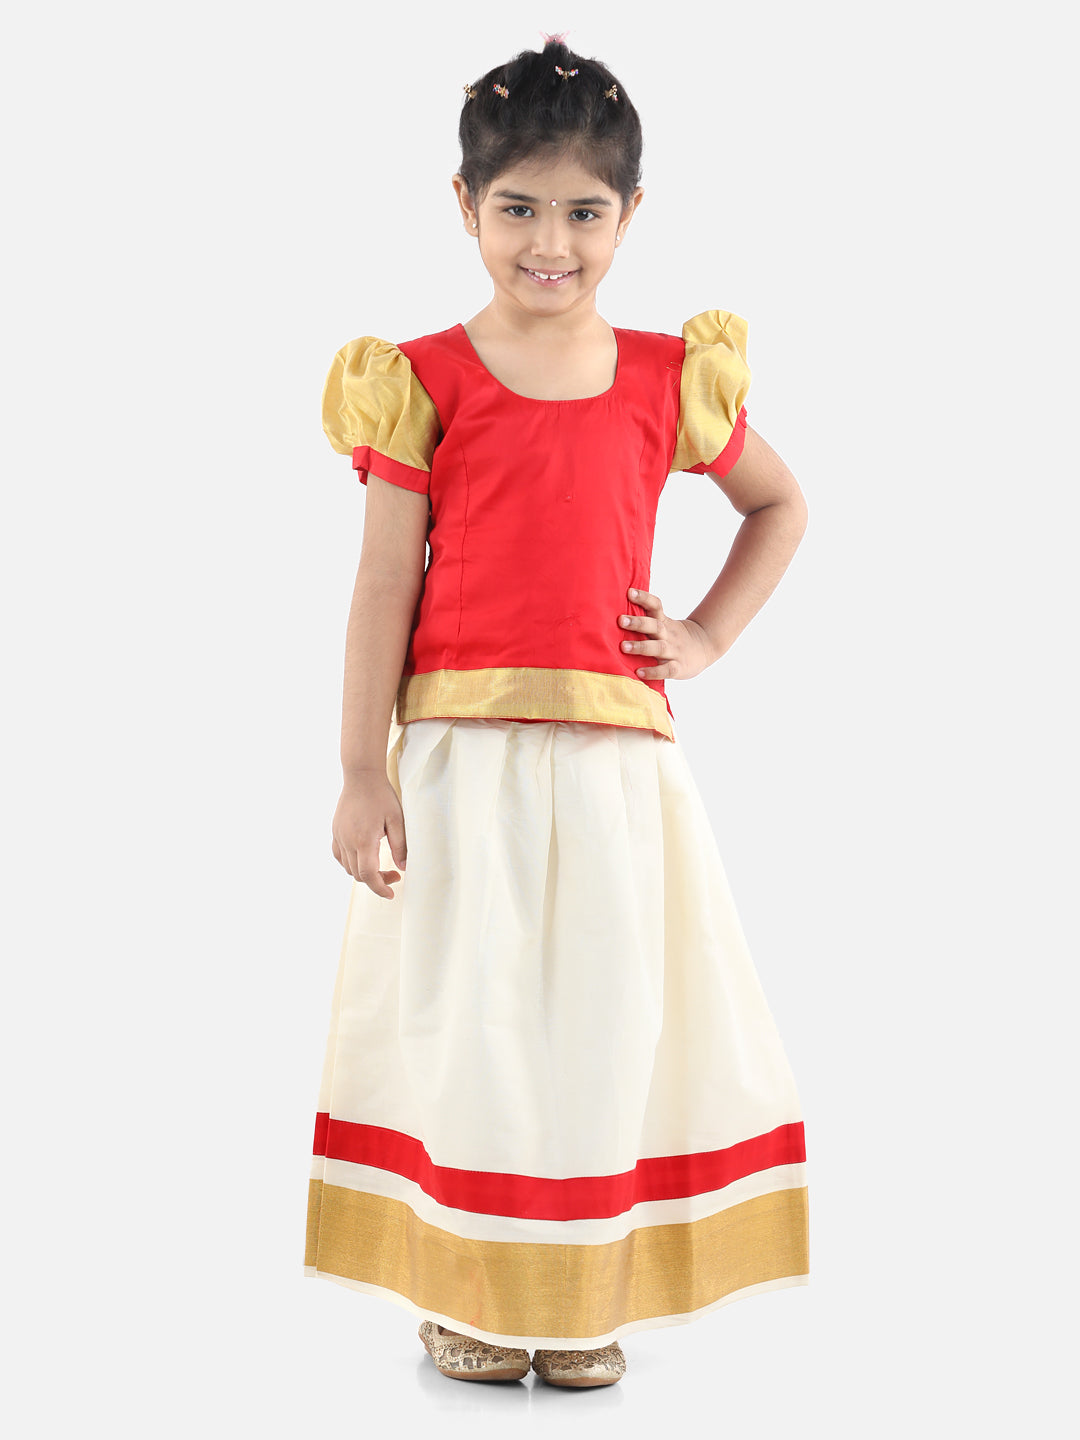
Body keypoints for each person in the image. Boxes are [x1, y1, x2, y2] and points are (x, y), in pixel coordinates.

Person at [304, 34, 810, 1390]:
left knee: (604, 1017)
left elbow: (779, 504)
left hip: (613, 771)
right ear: (464, 205)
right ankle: (469, 1288)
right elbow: (381, 582)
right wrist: (361, 769)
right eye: (518, 208)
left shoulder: (664, 377)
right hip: (459, 765)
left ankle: (583, 1298)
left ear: (630, 214)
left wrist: (704, 634)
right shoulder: (423, 379)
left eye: (584, 212)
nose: (550, 243)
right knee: (470, 1025)